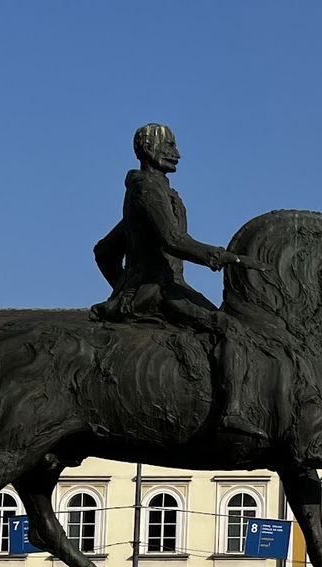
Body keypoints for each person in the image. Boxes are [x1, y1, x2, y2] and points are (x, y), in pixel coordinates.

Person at [90, 123, 265, 438]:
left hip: (161, 287)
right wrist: (227, 257)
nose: (177, 154)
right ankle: (231, 412)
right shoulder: (148, 188)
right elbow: (173, 239)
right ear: (149, 149)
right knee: (229, 329)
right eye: (170, 146)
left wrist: (122, 290)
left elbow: (105, 251)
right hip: (161, 291)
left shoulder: (152, 191)